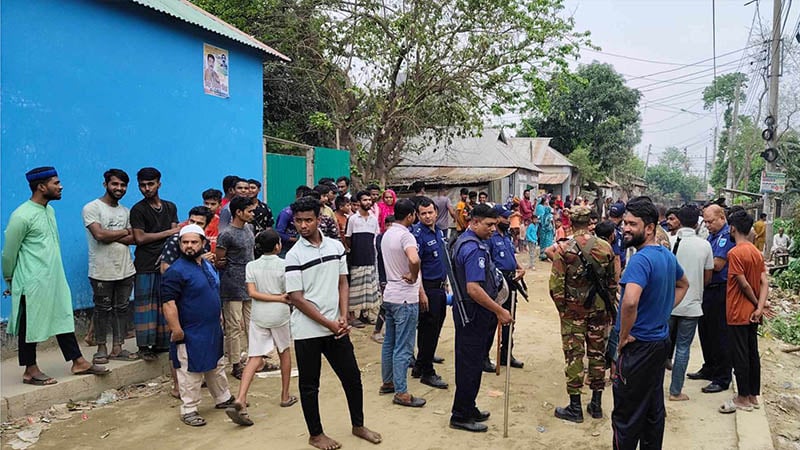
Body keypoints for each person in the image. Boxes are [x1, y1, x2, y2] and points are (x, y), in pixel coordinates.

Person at [284, 196, 382, 449]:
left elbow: (342, 282)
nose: (303, 225)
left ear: (319, 219)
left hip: (337, 327)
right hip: (308, 330)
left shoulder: (336, 248)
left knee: (352, 378)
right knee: (309, 385)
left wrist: (343, 315)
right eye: (298, 221)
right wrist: (329, 323)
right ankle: (315, 434)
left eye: (308, 220)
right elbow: (296, 298)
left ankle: (358, 425)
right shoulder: (293, 256)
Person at [3, 166, 111, 385]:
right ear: (42, 187)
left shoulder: (49, 211)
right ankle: (30, 369)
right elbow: (9, 252)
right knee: (28, 323)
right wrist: (10, 278)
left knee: (63, 317)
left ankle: (78, 361)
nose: (60, 186)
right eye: (56, 183)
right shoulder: (21, 215)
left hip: (54, 277)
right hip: (31, 280)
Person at [612, 197, 689, 450]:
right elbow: (683, 284)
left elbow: (630, 301)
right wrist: (663, 309)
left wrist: (623, 336)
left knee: (626, 416)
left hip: (638, 346)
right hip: (659, 344)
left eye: (632, 224)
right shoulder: (666, 256)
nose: (625, 228)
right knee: (653, 410)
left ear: (649, 228)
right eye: (624, 222)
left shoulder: (641, 260)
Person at [547, 206, 616, 423]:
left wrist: (564, 311)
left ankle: (575, 408)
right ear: (590, 222)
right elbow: (612, 282)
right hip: (599, 311)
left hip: (573, 313)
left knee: (574, 356)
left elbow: (556, 286)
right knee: (597, 355)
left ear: (570, 222)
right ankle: (596, 404)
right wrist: (607, 308)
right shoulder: (605, 247)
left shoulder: (563, 248)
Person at [162, 224, 234, 427]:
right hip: (190, 331)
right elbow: (168, 303)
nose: (189, 246)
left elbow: (212, 290)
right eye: (185, 242)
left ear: (203, 243)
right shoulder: (175, 272)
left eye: (194, 242)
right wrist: (176, 329)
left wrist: (219, 314)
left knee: (216, 365)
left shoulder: (206, 265)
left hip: (211, 327)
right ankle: (189, 409)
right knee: (190, 371)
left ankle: (223, 398)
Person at [449, 204, 513, 433]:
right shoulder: (473, 248)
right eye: (489, 225)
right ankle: (460, 415)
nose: (493, 229)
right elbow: (473, 289)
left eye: (495, 224)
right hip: (473, 313)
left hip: (470, 312)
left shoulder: (465, 242)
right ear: (474, 222)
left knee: (471, 364)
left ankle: (468, 406)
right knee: (469, 365)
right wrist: (499, 310)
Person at [227, 230, 297, 426]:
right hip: (280, 314)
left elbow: (252, 293)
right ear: (277, 246)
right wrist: (280, 298)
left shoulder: (251, 265)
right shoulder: (284, 265)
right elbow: (289, 293)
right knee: (284, 351)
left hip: (259, 315)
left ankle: (241, 397)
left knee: (254, 356)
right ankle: (284, 395)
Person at [82, 168, 138, 364]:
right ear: (105, 184)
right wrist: (124, 231)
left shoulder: (126, 211)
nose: (119, 188)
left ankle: (118, 348)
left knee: (122, 308)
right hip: (101, 270)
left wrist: (113, 234)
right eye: (115, 184)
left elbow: (134, 238)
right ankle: (101, 348)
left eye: (123, 185)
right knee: (101, 309)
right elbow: (99, 235)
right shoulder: (92, 208)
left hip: (125, 269)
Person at [378, 199, 427, 407]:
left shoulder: (387, 233)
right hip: (405, 296)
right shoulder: (406, 235)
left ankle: (388, 381)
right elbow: (415, 260)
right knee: (404, 346)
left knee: (390, 341)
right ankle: (401, 392)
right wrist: (414, 276)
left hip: (390, 294)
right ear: (410, 216)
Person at [719, 210, 769, 414]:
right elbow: (764, 281)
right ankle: (752, 395)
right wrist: (760, 307)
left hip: (738, 311)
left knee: (739, 354)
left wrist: (756, 304)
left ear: (732, 228)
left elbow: (744, 284)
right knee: (751, 353)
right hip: (753, 312)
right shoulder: (757, 253)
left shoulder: (735, 253)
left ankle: (742, 398)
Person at [130, 167, 180, 361]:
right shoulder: (138, 209)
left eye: (150, 184)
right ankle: (143, 346)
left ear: (159, 184)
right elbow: (140, 238)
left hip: (167, 262)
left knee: (164, 303)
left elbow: (176, 232)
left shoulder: (170, 207)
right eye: (142, 185)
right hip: (145, 262)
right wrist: (168, 233)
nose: (146, 188)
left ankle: (161, 344)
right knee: (145, 306)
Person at [688, 204, 736, 394]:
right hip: (707, 289)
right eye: (705, 221)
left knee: (719, 334)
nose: (707, 225)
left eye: (710, 221)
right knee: (705, 331)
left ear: (721, 218)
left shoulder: (725, 237)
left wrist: (696, 262)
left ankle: (722, 377)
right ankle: (709, 367)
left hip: (720, 290)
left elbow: (717, 264)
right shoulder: (712, 236)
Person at [667, 205, 713, 401]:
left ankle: (651, 388)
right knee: (683, 348)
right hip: (692, 305)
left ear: (678, 219)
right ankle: (675, 391)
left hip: (668, 303)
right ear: (697, 222)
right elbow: (708, 276)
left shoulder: (669, 241)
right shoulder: (704, 245)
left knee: (660, 346)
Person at [215, 196, 256, 380]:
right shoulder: (227, 234)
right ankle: (235, 364)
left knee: (251, 324)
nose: (252, 214)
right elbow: (219, 260)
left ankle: (254, 359)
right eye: (249, 211)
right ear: (238, 212)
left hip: (249, 283)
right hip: (232, 285)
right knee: (233, 327)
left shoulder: (249, 228)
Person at [410, 198, 450, 389]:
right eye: (423, 213)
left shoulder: (440, 231)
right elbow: (415, 265)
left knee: (434, 328)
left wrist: (446, 282)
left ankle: (420, 364)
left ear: (436, 212)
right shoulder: (418, 235)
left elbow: (442, 259)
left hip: (440, 286)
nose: (427, 216)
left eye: (430, 212)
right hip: (427, 288)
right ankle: (427, 371)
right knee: (428, 329)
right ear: (417, 215)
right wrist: (421, 291)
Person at [486, 205, 526, 371]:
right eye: (505, 218)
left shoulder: (507, 236)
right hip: (497, 283)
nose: (508, 221)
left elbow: (510, 256)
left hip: (511, 281)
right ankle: (484, 357)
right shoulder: (490, 237)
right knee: (491, 321)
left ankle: (506, 354)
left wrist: (519, 267)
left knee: (509, 318)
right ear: (496, 219)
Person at [345, 190, 381, 327]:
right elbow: (348, 238)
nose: (368, 202)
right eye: (364, 200)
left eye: (369, 200)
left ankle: (364, 315)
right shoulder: (353, 219)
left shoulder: (373, 219)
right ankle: (352, 317)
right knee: (355, 288)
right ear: (359, 202)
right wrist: (355, 250)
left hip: (370, 257)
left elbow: (375, 238)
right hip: (356, 258)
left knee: (368, 288)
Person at [276, 185, 310, 257]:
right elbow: (279, 233)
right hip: (286, 248)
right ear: (297, 197)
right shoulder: (286, 213)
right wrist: (295, 240)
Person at [607, 202, 627, 269]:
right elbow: (616, 258)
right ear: (622, 216)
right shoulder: (615, 232)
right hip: (614, 268)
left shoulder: (605, 227)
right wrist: (617, 278)